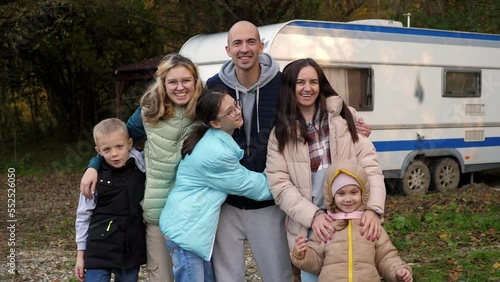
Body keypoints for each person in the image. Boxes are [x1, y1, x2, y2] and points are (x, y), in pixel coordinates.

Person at [206, 21, 372, 282]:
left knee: (278, 275)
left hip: (268, 200)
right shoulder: (214, 86)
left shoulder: (281, 83)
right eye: (237, 43)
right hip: (225, 201)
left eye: (251, 42)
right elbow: (196, 120)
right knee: (227, 277)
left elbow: (317, 98)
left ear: (262, 46)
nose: (245, 49)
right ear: (228, 49)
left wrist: (350, 115)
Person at [79, 53, 202, 282]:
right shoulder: (149, 111)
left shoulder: (206, 109)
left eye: (186, 80)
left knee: (196, 275)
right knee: (161, 276)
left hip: (195, 210)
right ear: (163, 83)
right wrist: (93, 165)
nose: (180, 87)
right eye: (172, 81)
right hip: (158, 209)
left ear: (195, 81)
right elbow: (117, 141)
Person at [265, 58, 386, 281]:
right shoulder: (279, 134)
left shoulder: (344, 120)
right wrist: (314, 217)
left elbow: (371, 167)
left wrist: (373, 209)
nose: (307, 88)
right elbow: (279, 185)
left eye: (313, 81)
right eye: (300, 82)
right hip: (311, 227)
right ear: (290, 87)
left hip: (353, 220)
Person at [159, 89, 274, 282]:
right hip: (187, 231)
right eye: (229, 111)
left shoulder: (212, 139)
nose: (237, 111)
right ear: (215, 123)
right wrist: (287, 184)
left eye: (236, 105)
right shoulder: (215, 154)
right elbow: (252, 186)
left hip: (189, 229)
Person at [291, 159, 413, 282]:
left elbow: (386, 257)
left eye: (354, 192)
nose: (348, 199)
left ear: (362, 193)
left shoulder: (370, 225)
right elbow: (316, 262)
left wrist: (398, 270)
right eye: (341, 193)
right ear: (332, 196)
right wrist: (301, 255)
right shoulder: (326, 227)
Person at [75, 118, 147, 282]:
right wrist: (81, 255)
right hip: (99, 250)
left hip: (130, 249)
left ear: (129, 143)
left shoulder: (140, 165)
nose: (114, 153)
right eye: (106, 149)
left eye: (119, 147)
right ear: (98, 151)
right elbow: (83, 216)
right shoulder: (93, 178)